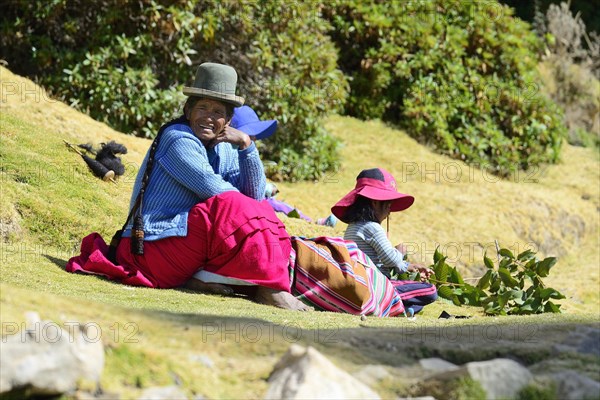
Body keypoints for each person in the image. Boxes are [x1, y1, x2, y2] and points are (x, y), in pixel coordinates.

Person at [67, 62, 309, 311]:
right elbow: (219, 193)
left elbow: (256, 196)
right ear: (188, 110)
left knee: (261, 209)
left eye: (217, 112)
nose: (209, 117)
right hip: (150, 248)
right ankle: (270, 289)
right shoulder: (177, 138)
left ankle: (217, 279)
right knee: (233, 204)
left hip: (185, 242)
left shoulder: (225, 145)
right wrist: (250, 206)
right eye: (202, 107)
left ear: (228, 120)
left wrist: (247, 145)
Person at [331, 167, 438, 314]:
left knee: (412, 295)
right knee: (430, 290)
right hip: (375, 286)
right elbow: (390, 259)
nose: (389, 210)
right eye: (388, 204)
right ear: (375, 202)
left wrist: (409, 266)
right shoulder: (373, 227)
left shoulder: (353, 227)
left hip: (359, 284)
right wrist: (400, 251)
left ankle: (398, 308)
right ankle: (393, 305)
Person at [230, 105, 337, 227]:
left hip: (257, 196)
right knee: (278, 206)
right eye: (250, 135)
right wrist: (265, 188)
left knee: (280, 205)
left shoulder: (249, 152)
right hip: (246, 200)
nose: (254, 138)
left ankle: (310, 220)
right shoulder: (232, 154)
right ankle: (311, 222)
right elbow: (238, 178)